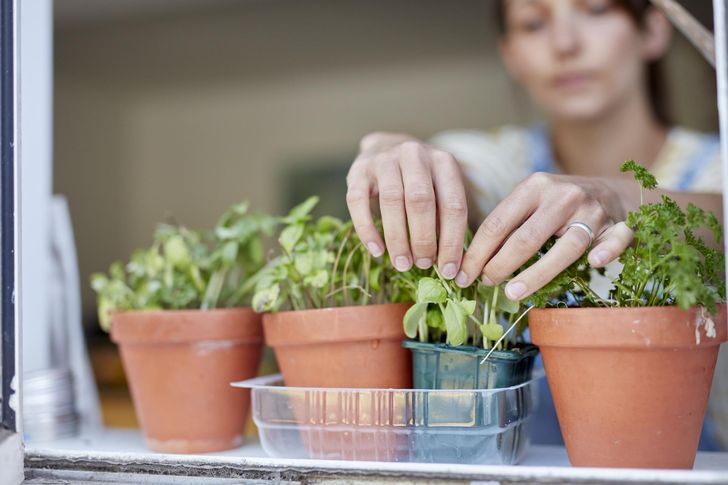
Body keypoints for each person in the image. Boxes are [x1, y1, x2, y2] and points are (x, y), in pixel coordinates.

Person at [345, 0, 726, 449]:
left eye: (597, 10)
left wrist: (621, 199)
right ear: (511, 55)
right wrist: (400, 152)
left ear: (653, 31)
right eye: (533, 23)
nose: (565, 44)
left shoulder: (716, 166)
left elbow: (718, 215)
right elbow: (458, 171)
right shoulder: (508, 160)